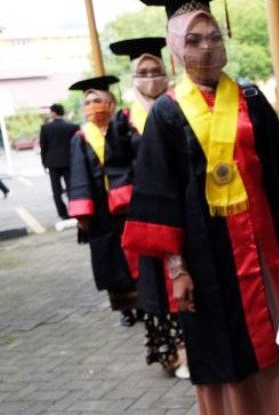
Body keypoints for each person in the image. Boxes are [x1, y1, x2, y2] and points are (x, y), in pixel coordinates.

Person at [121, 0, 279, 415]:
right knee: (223, 343)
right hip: (205, 257)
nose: (206, 47)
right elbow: (160, 195)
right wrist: (176, 269)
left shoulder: (250, 98)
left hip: (264, 251)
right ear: (175, 48)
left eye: (213, 36)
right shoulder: (167, 113)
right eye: (193, 39)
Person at [106, 37, 189, 379]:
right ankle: (176, 354)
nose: (151, 77)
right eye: (143, 72)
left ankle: (197, 348)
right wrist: (136, 203)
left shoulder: (181, 106)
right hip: (149, 216)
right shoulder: (123, 121)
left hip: (185, 210)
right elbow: (116, 167)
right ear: (132, 78)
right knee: (159, 288)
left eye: (156, 70)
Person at [67, 76, 138, 327]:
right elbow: (79, 175)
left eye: (97, 100)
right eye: (87, 102)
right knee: (111, 259)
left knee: (137, 253)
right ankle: (125, 309)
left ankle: (144, 301)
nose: (92, 106)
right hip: (101, 211)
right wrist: (83, 212)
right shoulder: (81, 137)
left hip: (130, 204)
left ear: (110, 102)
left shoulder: (125, 127)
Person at [40, 104, 80, 218]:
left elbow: (44, 147)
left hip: (52, 163)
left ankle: (63, 214)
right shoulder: (73, 127)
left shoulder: (45, 127)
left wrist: (44, 163)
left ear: (54, 112)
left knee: (56, 191)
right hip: (69, 162)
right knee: (71, 188)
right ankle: (76, 210)